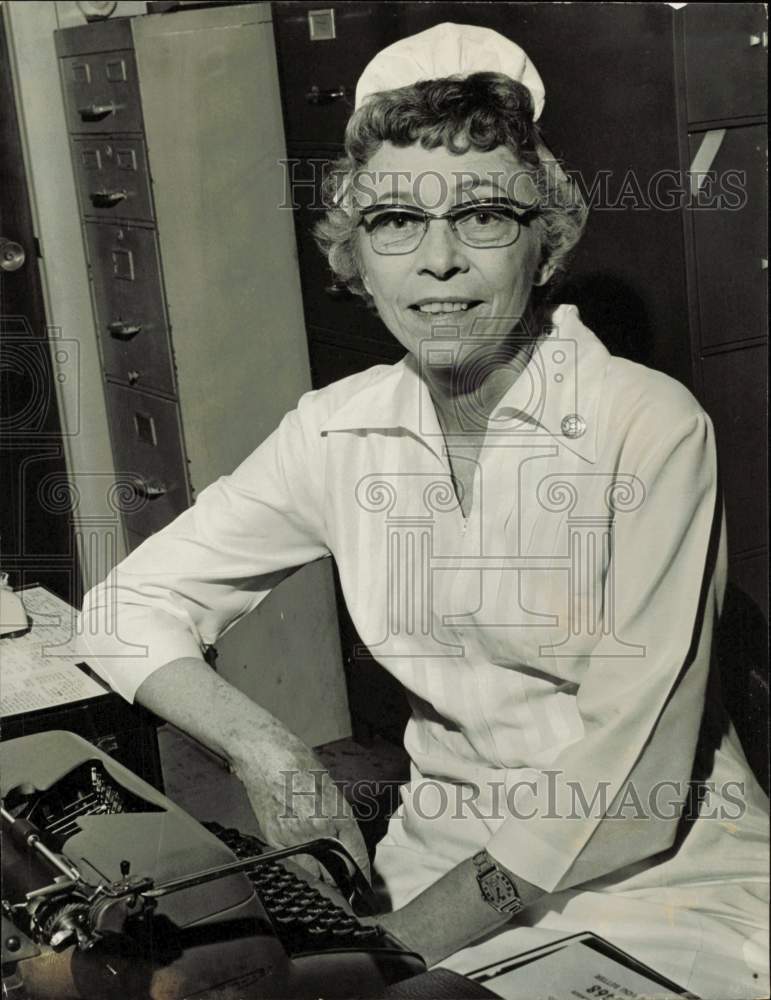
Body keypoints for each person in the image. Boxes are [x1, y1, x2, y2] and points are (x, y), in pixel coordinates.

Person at [81, 23, 769, 998]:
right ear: (356, 254)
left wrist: (395, 949)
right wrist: (268, 749)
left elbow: (630, 796)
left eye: (484, 215)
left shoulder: (648, 429)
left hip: (660, 887)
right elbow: (122, 608)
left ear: (548, 236)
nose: (436, 262)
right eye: (396, 220)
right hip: (437, 856)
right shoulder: (339, 429)